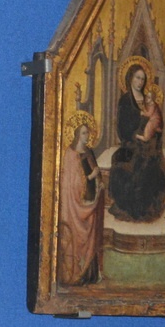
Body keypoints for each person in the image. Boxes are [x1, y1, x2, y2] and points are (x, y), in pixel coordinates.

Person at [108, 61, 165, 222]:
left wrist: (152, 137)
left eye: (142, 79)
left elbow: (158, 122)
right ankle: (130, 208)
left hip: (150, 144)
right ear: (130, 78)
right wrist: (135, 134)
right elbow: (122, 126)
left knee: (151, 164)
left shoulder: (149, 99)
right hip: (131, 143)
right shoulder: (125, 100)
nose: (140, 82)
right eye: (137, 78)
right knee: (128, 164)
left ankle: (145, 208)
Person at [57, 116, 104, 285]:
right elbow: (70, 183)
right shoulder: (70, 155)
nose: (87, 136)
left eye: (88, 133)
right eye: (84, 133)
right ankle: (77, 274)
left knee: (91, 236)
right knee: (78, 236)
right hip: (77, 205)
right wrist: (91, 176)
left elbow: (96, 171)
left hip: (92, 200)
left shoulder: (89, 152)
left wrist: (99, 182)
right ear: (77, 134)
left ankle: (90, 275)